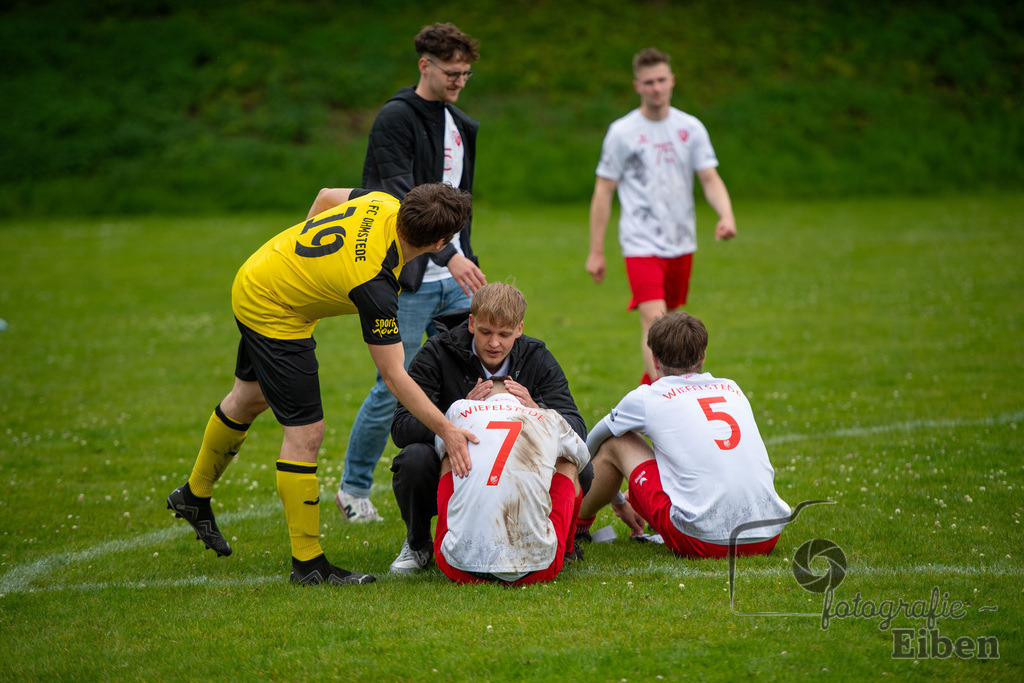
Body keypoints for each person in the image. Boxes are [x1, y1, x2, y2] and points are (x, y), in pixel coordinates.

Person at [166, 183, 479, 586]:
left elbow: (327, 194)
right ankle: (308, 564)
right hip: (273, 307)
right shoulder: (375, 285)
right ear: (439, 243)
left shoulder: (383, 202)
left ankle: (193, 495)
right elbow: (394, 376)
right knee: (306, 431)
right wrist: (448, 430)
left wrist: (306, 266)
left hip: (261, 270)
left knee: (248, 398)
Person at [337, 22, 487, 523]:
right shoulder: (396, 118)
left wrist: (468, 256)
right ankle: (354, 489)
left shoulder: (462, 123)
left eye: (465, 73)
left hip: (460, 276)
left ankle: (469, 477)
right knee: (392, 382)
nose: (458, 81)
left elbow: (462, 204)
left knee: (475, 373)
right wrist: (447, 255)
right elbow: (399, 196)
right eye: (450, 72)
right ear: (424, 65)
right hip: (413, 275)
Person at [388, 282, 590, 573]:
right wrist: (456, 419)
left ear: (519, 329)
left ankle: (548, 536)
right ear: (471, 323)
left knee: (581, 467)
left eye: (504, 335)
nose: (494, 343)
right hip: (458, 462)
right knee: (413, 460)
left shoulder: (536, 356)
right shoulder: (437, 352)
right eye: (485, 332)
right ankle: (417, 542)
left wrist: (535, 410)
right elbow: (401, 426)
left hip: (518, 463)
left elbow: (576, 427)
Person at [577, 312, 790, 559]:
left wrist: (616, 499)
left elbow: (589, 444)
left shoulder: (647, 397)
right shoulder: (732, 388)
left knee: (617, 440)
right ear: (703, 356)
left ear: (654, 360)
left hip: (704, 542)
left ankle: (578, 525)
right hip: (767, 536)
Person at [586, 47, 737, 386]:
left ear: (672, 81)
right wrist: (596, 250)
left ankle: (648, 386)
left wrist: (725, 215)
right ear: (637, 86)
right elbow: (603, 191)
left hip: (681, 241)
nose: (656, 87)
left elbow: (709, 178)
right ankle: (665, 394)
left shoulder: (691, 128)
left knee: (668, 321)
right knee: (653, 321)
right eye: (648, 82)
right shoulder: (622, 132)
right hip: (640, 242)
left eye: (661, 80)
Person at [433, 378, 590, 585]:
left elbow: (440, 445)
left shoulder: (460, 409)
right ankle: (567, 549)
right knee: (568, 463)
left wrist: (467, 406)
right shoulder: (549, 418)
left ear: (480, 397)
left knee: (450, 454)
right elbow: (583, 456)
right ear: (521, 397)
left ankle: (450, 538)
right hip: (537, 569)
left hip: (460, 568)